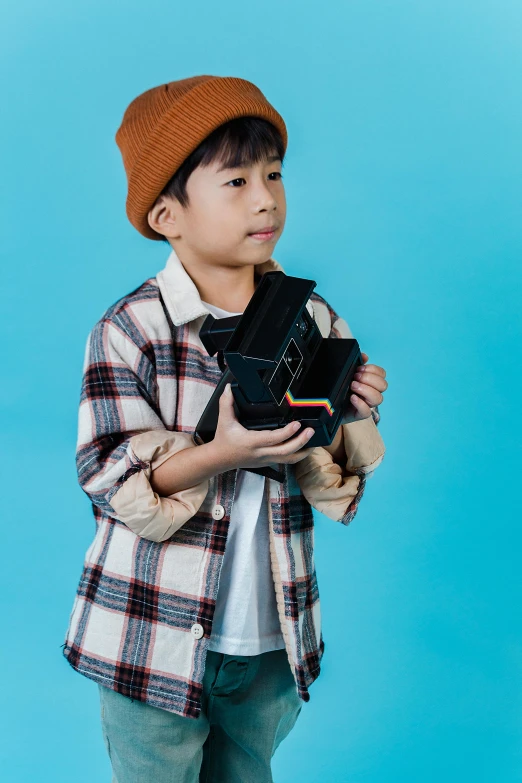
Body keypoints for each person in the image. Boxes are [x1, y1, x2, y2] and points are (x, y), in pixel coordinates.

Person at [61, 75, 388, 783]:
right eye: (235, 181)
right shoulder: (129, 332)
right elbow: (110, 479)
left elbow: (330, 474)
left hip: (266, 630)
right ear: (166, 214)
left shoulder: (314, 316)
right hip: (147, 634)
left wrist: (349, 407)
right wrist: (219, 453)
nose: (266, 197)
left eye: (272, 174)